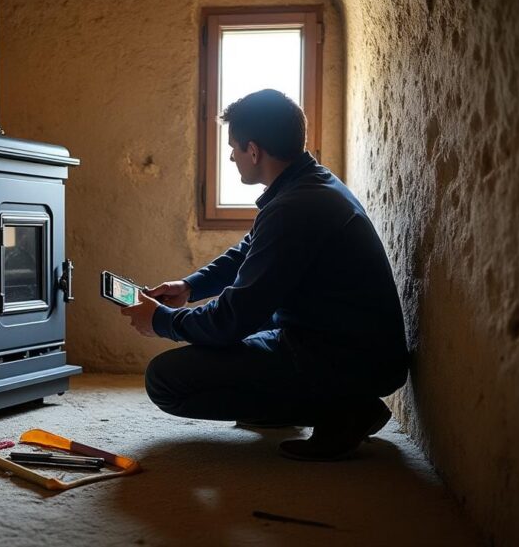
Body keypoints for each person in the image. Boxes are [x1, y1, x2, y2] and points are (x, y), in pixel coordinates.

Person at [120, 89, 409, 461]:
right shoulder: (308, 185)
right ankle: (328, 403)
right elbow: (249, 250)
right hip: (344, 346)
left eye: (234, 148)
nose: (231, 157)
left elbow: (231, 320)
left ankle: (345, 410)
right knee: (246, 333)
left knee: (165, 380)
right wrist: (190, 287)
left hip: (347, 361)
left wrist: (161, 321)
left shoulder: (294, 208)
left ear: (253, 151)